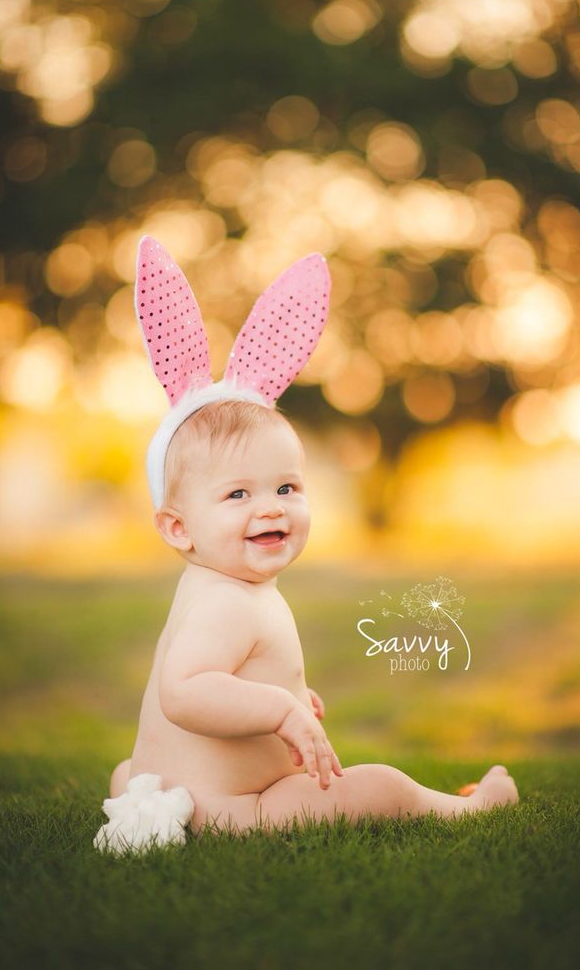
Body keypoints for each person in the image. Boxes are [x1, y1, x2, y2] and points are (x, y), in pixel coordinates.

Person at [95, 238, 518, 849]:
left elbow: (226, 676)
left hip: (186, 788)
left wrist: (287, 693)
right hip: (238, 810)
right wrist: (280, 711)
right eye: (237, 495)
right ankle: (466, 813)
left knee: (133, 772)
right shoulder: (226, 601)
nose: (270, 506)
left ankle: (137, 789)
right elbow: (184, 692)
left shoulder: (220, 584)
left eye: (286, 487)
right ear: (178, 527)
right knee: (379, 786)